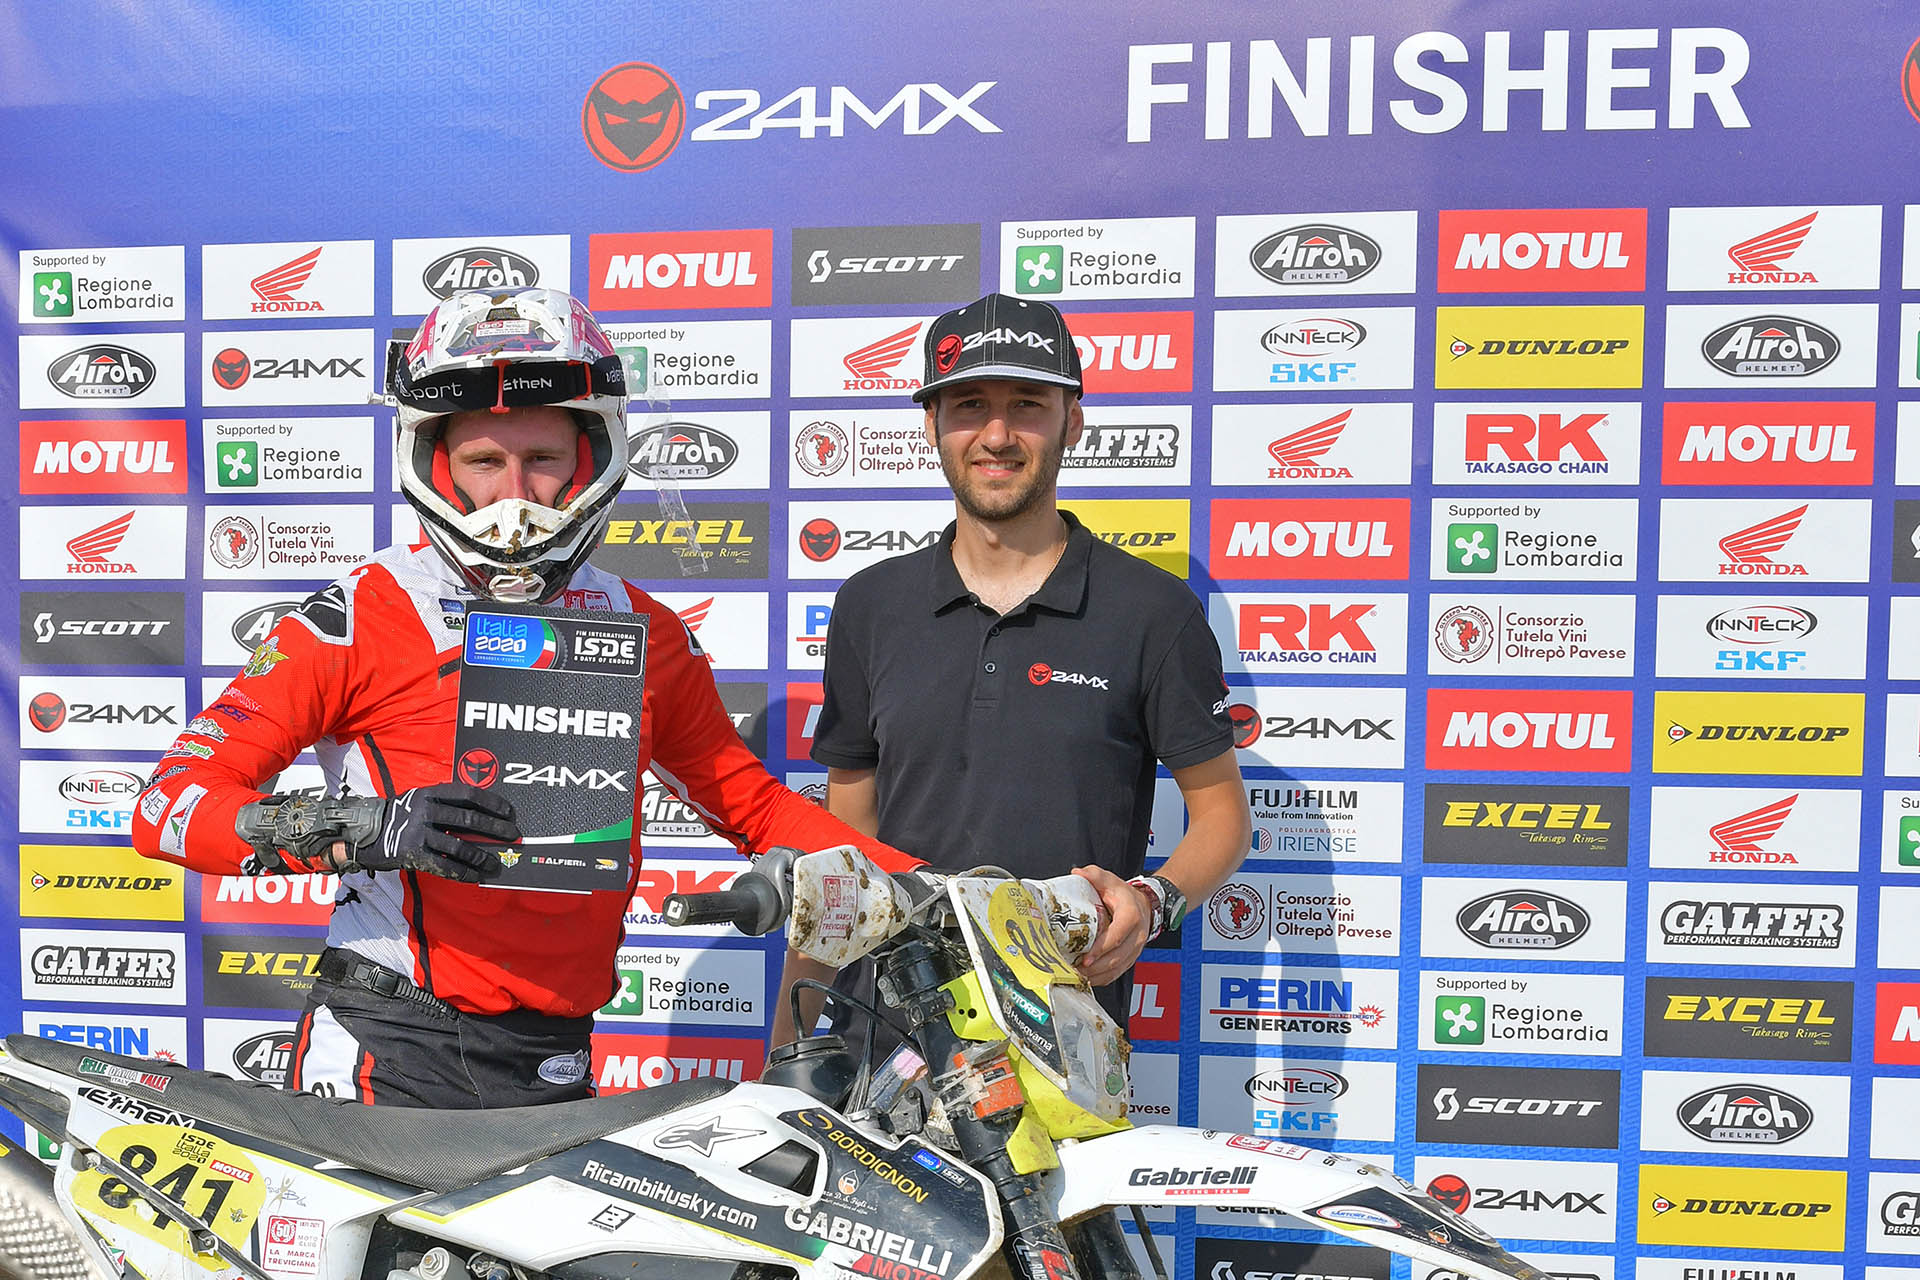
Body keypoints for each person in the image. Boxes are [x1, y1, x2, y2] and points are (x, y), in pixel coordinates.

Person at [133, 287, 920, 1108]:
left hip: (559, 1056)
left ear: (590, 457)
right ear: (436, 463)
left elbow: (752, 805)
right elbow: (166, 809)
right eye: (484, 462)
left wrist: (930, 886)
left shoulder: (643, 627)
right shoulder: (361, 614)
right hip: (388, 1043)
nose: (516, 495)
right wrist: (367, 829)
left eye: (542, 458)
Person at [770, 293, 1251, 1051]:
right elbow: (844, 847)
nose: (997, 435)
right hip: (886, 1042)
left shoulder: (1153, 611)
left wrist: (1153, 902)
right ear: (932, 424)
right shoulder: (870, 604)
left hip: (1065, 1044)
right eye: (970, 406)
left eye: (1027, 404)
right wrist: (788, 1048)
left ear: (1073, 422)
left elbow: (1222, 814)